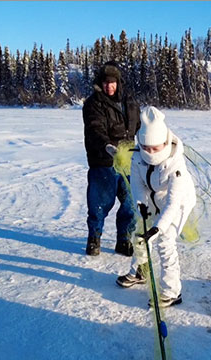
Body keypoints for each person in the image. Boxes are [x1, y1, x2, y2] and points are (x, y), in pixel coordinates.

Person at [116, 107, 196, 308]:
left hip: (178, 201)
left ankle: (171, 292)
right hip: (151, 198)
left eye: (156, 148)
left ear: (165, 143)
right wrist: (141, 205)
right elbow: (137, 184)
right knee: (140, 234)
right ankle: (140, 271)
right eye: (147, 148)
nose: (151, 153)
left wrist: (157, 228)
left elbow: (173, 203)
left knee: (165, 241)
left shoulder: (176, 165)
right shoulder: (137, 156)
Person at [82, 61, 141, 256]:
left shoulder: (130, 102)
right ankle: (94, 238)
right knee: (99, 204)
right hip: (104, 161)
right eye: (106, 82)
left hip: (129, 162)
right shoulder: (93, 103)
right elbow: (95, 128)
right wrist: (107, 146)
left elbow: (140, 126)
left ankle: (124, 239)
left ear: (119, 82)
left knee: (131, 204)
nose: (109, 86)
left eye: (113, 82)